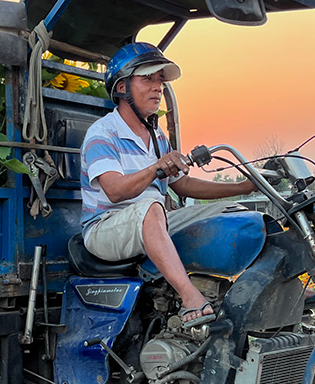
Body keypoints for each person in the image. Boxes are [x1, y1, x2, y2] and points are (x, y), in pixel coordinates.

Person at [80, 42, 255, 328]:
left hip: (153, 221)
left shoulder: (157, 135)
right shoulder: (102, 133)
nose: (157, 87)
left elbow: (182, 184)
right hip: (105, 228)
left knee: (236, 213)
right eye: (147, 79)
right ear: (122, 87)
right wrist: (155, 168)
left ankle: (268, 290)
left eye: (160, 80)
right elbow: (115, 191)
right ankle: (190, 297)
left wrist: (242, 187)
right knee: (151, 207)